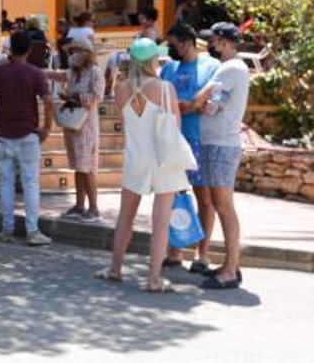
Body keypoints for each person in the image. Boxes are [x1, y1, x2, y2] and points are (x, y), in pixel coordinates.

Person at [95, 38, 188, 292]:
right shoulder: (165, 88)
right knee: (160, 219)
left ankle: (115, 268)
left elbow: (126, 127)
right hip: (162, 157)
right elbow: (176, 127)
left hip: (136, 156)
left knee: (126, 214)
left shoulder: (121, 88)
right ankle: (154, 278)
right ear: (152, 60)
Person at [193, 22, 250, 289]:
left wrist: (197, 103)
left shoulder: (230, 69)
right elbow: (214, 105)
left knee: (224, 206)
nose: (211, 46)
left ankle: (229, 270)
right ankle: (231, 265)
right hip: (218, 142)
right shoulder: (234, 69)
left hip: (221, 144)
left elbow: (203, 101)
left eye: (214, 41)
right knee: (220, 204)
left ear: (224, 42)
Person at [160, 23, 221, 272]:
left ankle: (202, 253)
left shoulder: (211, 67)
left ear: (187, 42)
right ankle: (174, 251)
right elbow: (164, 101)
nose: (170, 49)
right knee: (173, 196)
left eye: (173, 44)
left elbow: (208, 103)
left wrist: (193, 105)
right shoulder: (169, 69)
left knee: (203, 198)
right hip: (172, 139)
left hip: (198, 138)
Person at [0, 32, 55, 246]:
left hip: (3, 133)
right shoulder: (35, 73)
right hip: (28, 133)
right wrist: (46, 127)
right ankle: (32, 231)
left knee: (6, 183)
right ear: (28, 50)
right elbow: (49, 101)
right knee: (30, 182)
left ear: (10, 49)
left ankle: (7, 229)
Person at [47, 38, 105, 222]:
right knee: (78, 167)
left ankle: (94, 208)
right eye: (70, 52)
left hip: (86, 126)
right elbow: (55, 75)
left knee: (87, 168)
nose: (71, 55)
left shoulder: (96, 72)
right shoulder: (72, 73)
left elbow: (97, 96)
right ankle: (80, 205)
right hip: (72, 125)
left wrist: (73, 96)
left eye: (75, 52)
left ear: (85, 53)